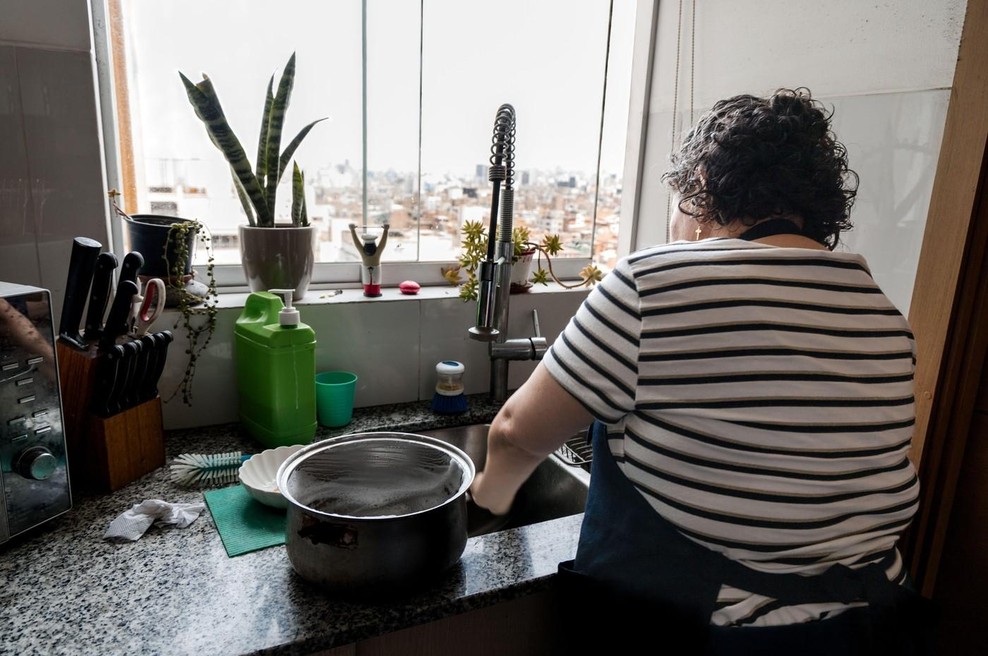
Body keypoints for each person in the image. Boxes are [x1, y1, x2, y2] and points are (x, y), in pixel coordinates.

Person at [469, 88, 936, 654]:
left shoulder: (653, 282)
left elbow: (519, 431)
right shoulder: (882, 311)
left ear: (702, 187)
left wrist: (488, 502)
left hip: (709, 634)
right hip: (874, 627)